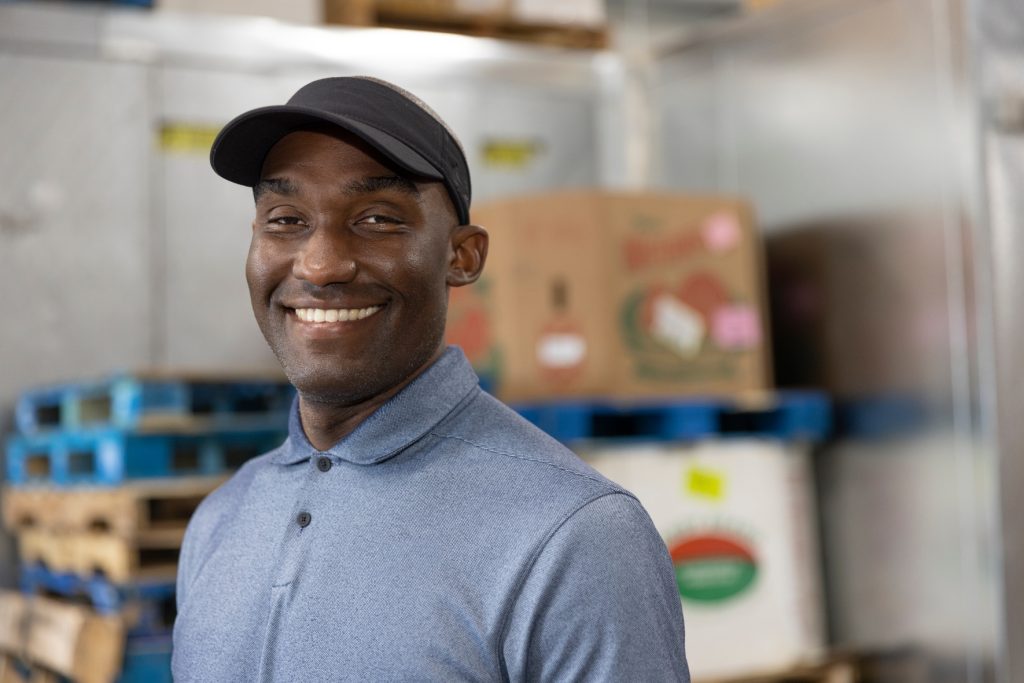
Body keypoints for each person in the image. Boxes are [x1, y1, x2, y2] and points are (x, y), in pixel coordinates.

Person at [172, 76, 690, 682]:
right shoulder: (220, 519)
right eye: (285, 219)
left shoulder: (576, 538)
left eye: (376, 219)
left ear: (462, 256)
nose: (319, 263)